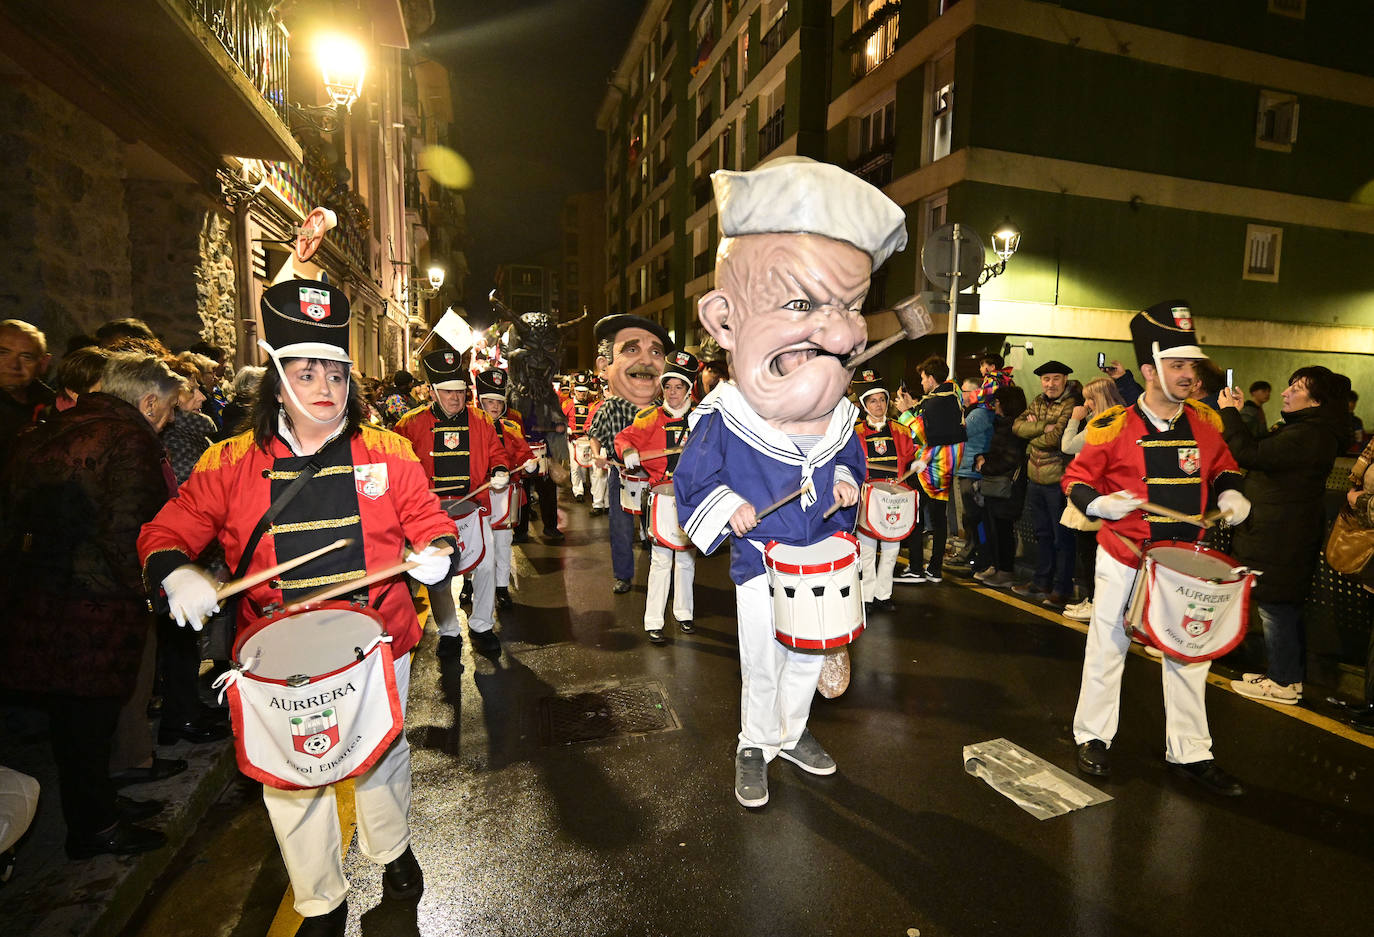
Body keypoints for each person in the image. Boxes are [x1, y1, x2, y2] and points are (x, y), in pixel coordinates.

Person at [137, 279, 453, 935]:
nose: (324, 386)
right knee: (293, 780)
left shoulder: (389, 452)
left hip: (379, 647)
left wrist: (436, 549)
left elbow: (429, 519)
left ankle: (391, 850)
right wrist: (176, 573)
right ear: (276, 379)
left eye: (335, 372)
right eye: (306, 371)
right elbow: (165, 532)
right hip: (279, 659)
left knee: (381, 758)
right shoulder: (229, 462)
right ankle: (319, 900)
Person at [674, 155, 905, 809]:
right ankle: (755, 740)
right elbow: (693, 478)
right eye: (801, 303)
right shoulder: (722, 418)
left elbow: (853, 462)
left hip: (820, 555)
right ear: (724, 321)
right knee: (764, 656)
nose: (837, 332)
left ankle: (791, 731)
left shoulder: (840, 419)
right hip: (758, 560)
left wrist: (849, 488)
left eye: (850, 309)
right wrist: (728, 507)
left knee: (808, 654)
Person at [1063, 299, 1251, 797]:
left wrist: (1231, 491)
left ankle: (1191, 751)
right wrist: (1099, 504)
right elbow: (1076, 478)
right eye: (1178, 365)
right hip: (1126, 554)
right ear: (1150, 370)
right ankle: (1094, 735)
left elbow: (1225, 465)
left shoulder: (1208, 423)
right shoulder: (1113, 426)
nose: (1190, 375)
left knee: (1190, 652)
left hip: (1185, 562)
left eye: (1192, 365)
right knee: (1109, 644)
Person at [1, 351, 183, 858]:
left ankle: (101, 805)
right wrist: (155, 593)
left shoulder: (55, 427)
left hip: (38, 597)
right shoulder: (128, 439)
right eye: (167, 411)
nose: (167, 422)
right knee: (88, 726)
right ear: (148, 402)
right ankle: (94, 828)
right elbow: (131, 532)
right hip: (95, 607)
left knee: (75, 724)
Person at [1218, 367, 1350, 704]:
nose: (1285, 392)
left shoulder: (1310, 434)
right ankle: (1285, 674)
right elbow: (1259, 450)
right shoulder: (1307, 430)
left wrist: (1229, 414)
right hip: (1281, 532)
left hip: (1283, 535)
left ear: (1316, 400)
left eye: (1297, 387)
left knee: (1278, 608)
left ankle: (1283, 682)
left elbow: (1250, 454)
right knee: (1279, 606)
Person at [394, 347, 510, 658]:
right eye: (446, 392)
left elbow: (497, 454)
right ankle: (448, 631)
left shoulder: (482, 420)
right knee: (439, 574)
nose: (455, 398)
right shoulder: (409, 423)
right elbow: (398, 466)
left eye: (459, 391)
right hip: (431, 515)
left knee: (485, 567)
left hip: (475, 510)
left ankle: (483, 625)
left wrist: (499, 470)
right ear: (431, 392)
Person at [617, 351, 701, 643]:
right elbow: (624, 437)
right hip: (662, 498)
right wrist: (628, 450)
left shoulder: (704, 419)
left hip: (692, 499)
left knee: (687, 560)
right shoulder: (648, 418)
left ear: (689, 389)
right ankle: (653, 620)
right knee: (661, 560)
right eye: (668, 386)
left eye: (679, 386)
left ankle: (684, 613)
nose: (673, 392)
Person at [587, 315, 671, 593]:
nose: (646, 361)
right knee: (620, 528)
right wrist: (599, 455)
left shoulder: (664, 409)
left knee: (659, 525)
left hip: (657, 476)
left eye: (656, 352)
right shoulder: (610, 407)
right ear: (604, 366)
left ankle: (661, 571)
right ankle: (623, 575)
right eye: (631, 350)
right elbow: (596, 436)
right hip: (621, 473)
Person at [1010, 360, 1077, 608]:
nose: (1050, 384)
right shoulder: (1038, 400)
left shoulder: (1072, 403)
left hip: (1058, 479)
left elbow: (1055, 439)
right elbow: (1016, 427)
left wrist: (1033, 433)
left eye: (1056, 378)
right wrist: (1040, 427)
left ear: (1065, 379)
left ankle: (1062, 589)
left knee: (1062, 538)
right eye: (1046, 379)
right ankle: (1041, 582)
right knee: (1043, 534)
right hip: (1035, 477)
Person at [1059, 377, 1126, 622]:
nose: (1086, 403)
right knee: (1092, 554)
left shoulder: (1100, 425)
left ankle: (1097, 603)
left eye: (1090, 399)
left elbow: (1067, 446)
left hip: (1091, 495)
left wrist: (1074, 419)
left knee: (1090, 554)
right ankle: (1094, 600)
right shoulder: (1118, 420)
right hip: (1099, 494)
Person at [850, 368, 916, 610]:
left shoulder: (901, 429)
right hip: (868, 499)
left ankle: (883, 595)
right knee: (867, 550)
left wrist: (917, 462)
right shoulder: (854, 433)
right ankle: (866, 596)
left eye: (881, 400)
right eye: (872, 401)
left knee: (891, 549)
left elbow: (917, 449)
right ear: (864, 405)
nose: (878, 405)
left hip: (895, 498)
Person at [474, 367, 537, 610]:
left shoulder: (511, 428)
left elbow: (525, 455)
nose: (494, 407)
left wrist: (530, 464)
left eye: (498, 402)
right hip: (479, 498)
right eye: (489, 402)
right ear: (480, 402)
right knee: (475, 544)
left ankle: (501, 587)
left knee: (502, 544)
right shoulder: (471, 429)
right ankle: (471, 583)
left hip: (505, 498)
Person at [973, 385, 1030, 587]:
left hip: (1007, 488)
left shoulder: (1015, 427)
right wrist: (983, 458)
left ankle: (1005, 570)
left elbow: (1010, 459)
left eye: (997, 402)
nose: (994, 405)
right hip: (996, 486)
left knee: (1003, 530)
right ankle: (996, 566)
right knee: (993, 528)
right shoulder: (1003, 424)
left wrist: (985, 466)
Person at [950, 375, 995, 576]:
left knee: (975, 518)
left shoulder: (979, 414)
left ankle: (979, 557)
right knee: (971, 518)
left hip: (972, 473)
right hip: (967, 470)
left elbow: (957, 432)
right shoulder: (975, 413)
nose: (962, 395)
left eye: (965, 391)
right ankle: (973, 553)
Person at [0, 319, 55, 449]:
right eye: (2, 353)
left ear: (43, 363)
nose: (14, 365)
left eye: (26, 357)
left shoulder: (54, 406)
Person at [564, 370, 599, 504]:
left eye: (584, 392)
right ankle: (578, 491)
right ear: (574, 391)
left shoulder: (592, 405)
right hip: (573, 440)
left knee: (591, 466)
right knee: (575, 466)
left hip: (588, 440)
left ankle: (594, 493)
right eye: (579, 391)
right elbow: (559, 420)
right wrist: (565, 428)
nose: (581, 394)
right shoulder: (567, 405)